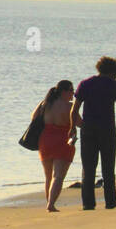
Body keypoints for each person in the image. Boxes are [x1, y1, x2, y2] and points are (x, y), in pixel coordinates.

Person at [71, 56, 116, 210]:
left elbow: (74, 110)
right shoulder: (114, 85)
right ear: (113, 72)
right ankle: (110, 201)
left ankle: (88, 203)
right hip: (107, 130)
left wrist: (74, 127)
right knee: (108, 168)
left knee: (88, 168)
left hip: (88, 130)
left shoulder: (85, 84)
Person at [36, 80, 76, 212]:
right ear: (64, 92)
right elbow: (81, 123)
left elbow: (34, 118)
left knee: (48, 176)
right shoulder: (69, 106)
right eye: (71, 91)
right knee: (58, 176)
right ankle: (51, 204)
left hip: (45, 140)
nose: (73, 94)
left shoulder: (45, 104)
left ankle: (49, 202)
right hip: (62, 140)